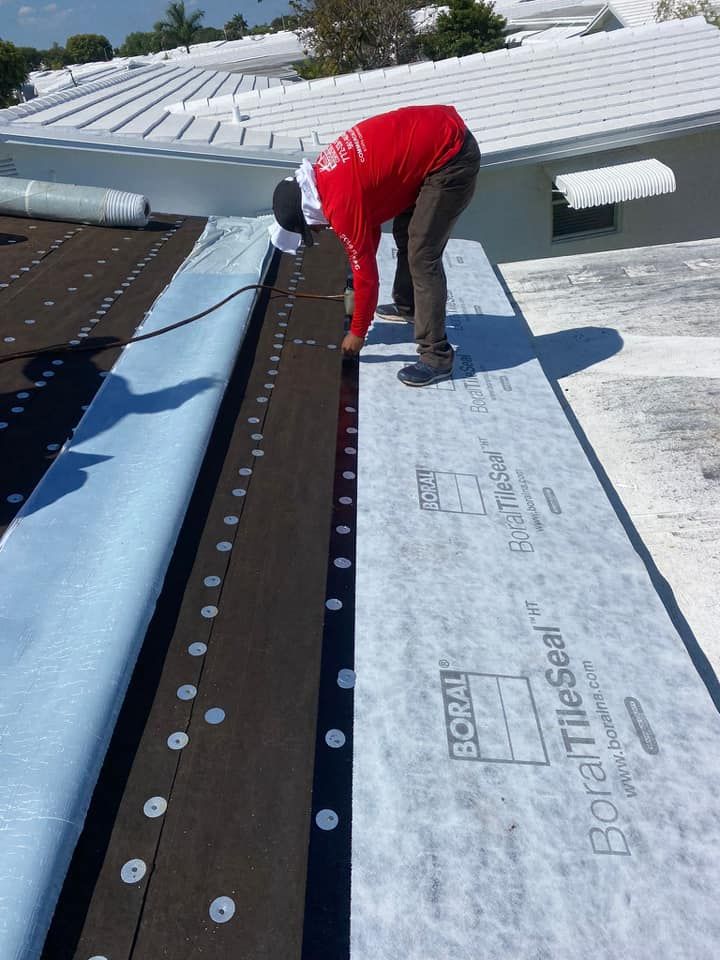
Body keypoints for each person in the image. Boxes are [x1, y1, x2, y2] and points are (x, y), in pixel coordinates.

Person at [268, 105, 480, 387]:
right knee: (407, 232)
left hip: (451, 156)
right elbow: (369, 232)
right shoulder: (325, 176)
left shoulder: (339, 204)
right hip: (436, 139)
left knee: (422, 255)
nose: (319, 232)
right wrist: (357, 290)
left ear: (308, 215)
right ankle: (408, 306)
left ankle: (437, 356)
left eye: (312, 230)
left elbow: (368, 274)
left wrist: (357, 333)